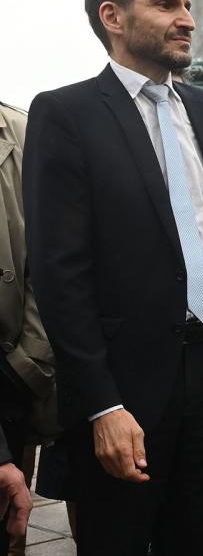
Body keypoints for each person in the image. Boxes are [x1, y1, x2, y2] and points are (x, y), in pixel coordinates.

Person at [23, 0, 203, 554]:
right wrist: (102, 403)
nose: (186, 18)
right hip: (126, 391)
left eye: (187, 5)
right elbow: (60, 276)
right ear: (113, 16)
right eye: (165, 4)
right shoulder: (66, 114)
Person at [0, 101, 45, 548]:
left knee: (11, 522)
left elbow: (46, 255)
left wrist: (26, 361)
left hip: (10, 370)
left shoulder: (21, 132)